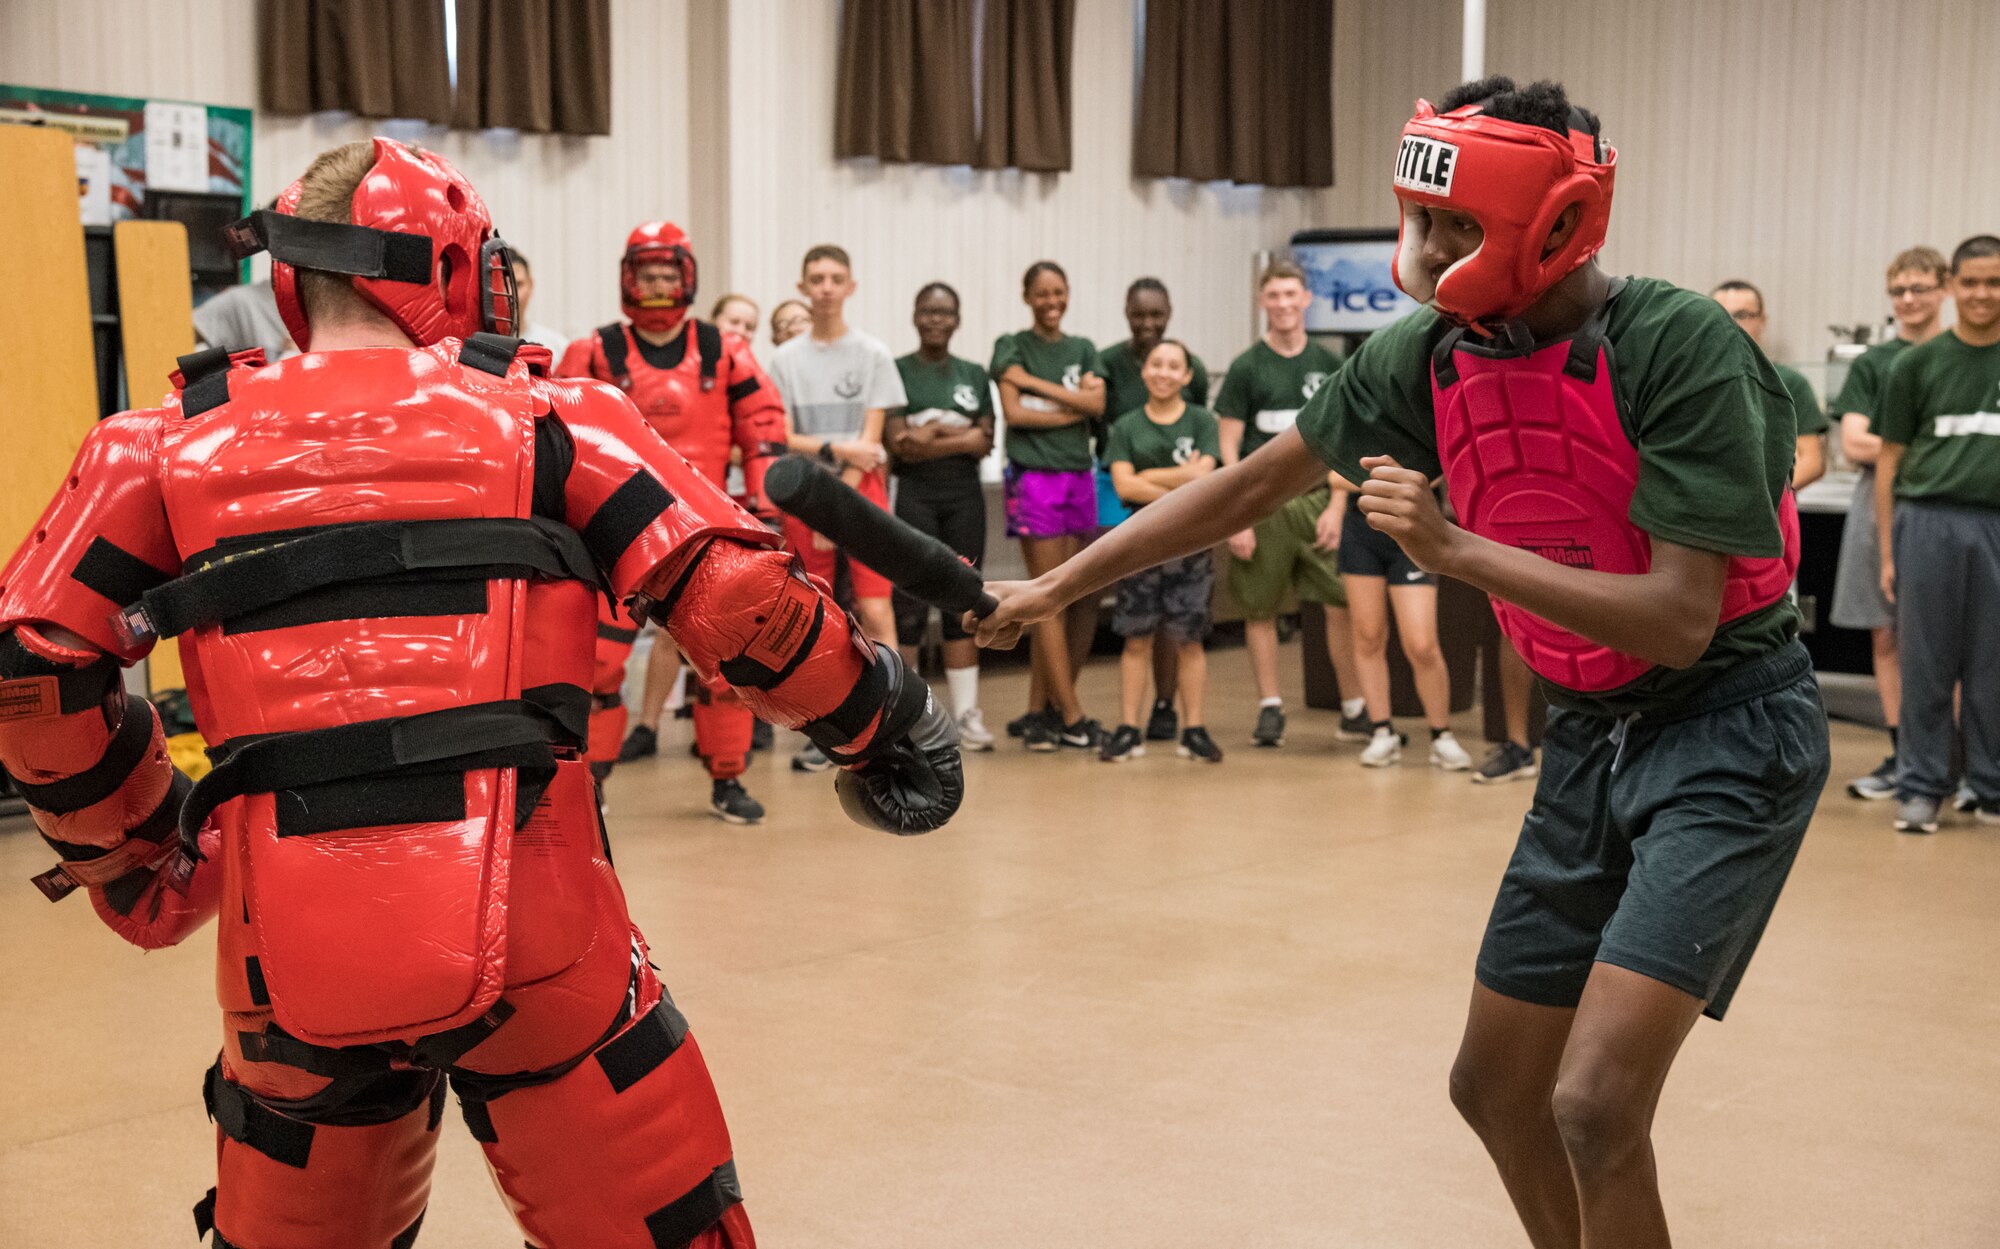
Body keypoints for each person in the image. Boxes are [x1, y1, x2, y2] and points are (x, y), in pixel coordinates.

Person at [0, 137, 960, 1248]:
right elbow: (740, 599)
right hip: (543, 938)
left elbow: (30, 672)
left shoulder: (158, 446)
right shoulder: (558, 415)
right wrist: (885, 722)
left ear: (288, 276)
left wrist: (141, 859)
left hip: (288, 958)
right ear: (449, 267)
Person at [975, 79, 1826, 1249]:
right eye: (1419, 222)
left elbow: (1681, 617)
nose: (1423, 255)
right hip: (1588, 732)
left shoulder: (1678, 345)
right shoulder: (1424, 356)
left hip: (1726, 726)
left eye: (1456, 229)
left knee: (1592, 1102)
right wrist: (1053, 587)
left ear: (1561, 222)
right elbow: (1248, 483)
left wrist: (1456, 551)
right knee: (1492, 1087)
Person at [557, 221, 789, 824]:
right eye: (647, 274)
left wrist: (763, 513)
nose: (658, 286)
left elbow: (763, 431)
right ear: (628, 278)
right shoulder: (593, 351)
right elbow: (560, 435)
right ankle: (594, 785)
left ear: (685, 278)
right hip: (612, 534)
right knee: (599, 666)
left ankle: (728, 781)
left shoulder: (726, 350)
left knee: (727, 667)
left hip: (705, 535)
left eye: (668, 274)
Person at [1873, 234, 2000, 834]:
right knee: (1925, 662)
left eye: (1994, 282)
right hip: (1927, 524)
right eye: (1971, 281)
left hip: (1994, 525)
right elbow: (1889, 464)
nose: (1982, 293)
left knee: (1991, 665)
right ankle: (1921, 787)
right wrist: (1889, 553)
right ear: (1952, 285)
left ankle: (1990, 785)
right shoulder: (1915, 365)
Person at [1216, 260, 1367, 749]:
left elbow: (1347, 440)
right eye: (1273, 296)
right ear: (1263, 303)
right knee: (1261, 608)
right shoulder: (1246, 368)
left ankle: (1354, 708)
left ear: (1306, 300)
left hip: (1318, 500)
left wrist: (1338, 507)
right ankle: (1270, 707)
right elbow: (1229, 451)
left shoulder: (1329, 365)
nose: (1282, 304)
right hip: (1263, 506)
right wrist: (1237, 516)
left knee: (1339, 603)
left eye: (1290, 295)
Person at [770, 244, 908, 771]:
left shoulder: (872, 353)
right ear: (803, 287)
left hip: (859, 493)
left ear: (851, 286)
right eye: (816, 279)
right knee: (816, 616)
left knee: (875, 609)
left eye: (836, 278)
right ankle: (828, 729)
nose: (826, 287)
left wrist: (840, 507)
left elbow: (870, 442)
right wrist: (828, 464)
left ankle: (894, 720)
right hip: (803, 494)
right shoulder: (784, 360)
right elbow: (780, 432)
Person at [1829, 247, 1950, 799]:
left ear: (1943, 289)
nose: (1908, 301)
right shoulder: (1874, 363)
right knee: (1887, 632)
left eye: (1919, 289)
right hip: (1876, 505)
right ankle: (1903, 752)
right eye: (1898, 291)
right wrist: (1937, 444)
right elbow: (1854, 441)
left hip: (1949, 507)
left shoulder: (1961, 356)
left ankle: (1952, 756)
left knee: (1951, 638)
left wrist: (1897, 448)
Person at [992, 260, 1106, 751]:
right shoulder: (1011, 346)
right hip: (1033, 479)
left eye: (1059, 292)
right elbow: (1013, 413)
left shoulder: (1084, 349)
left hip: (1079, 477)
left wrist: (1035, 386)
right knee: (1047, 598)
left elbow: (1097, 407)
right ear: (1027, 297)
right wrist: (1072, 406)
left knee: (1075, 596)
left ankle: (1041, 711)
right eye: (1042, 293)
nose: (1051, 301)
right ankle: (1074, 716)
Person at [1099, 339, 1223, 764]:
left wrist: (1150, 475)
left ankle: (1194, 730)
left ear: (1187, 376)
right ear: (1144, 371)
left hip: (1192, 544)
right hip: (1140, 546)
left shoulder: (1204, 421)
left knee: (1189, 640)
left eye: (1174, 366)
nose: (1164, 372)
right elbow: (1124, 485)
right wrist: (1178, 479)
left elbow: (1206, 477)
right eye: (1156, 364)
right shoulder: (1127, 426)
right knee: (1136, 638)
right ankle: (1130, 729)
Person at [887, 282, 997, 750]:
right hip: (913, 497)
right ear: (915, 316)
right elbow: (898, 444)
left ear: (957, 318)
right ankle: (912, 717)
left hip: (964, 500)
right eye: (928, 311)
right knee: (909, 608)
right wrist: (957, 437)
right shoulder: (895, 372)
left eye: (945, 312)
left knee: (963, 601)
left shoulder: (973, 374)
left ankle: (967, 715)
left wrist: (927, 435)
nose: (936, 319)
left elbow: (983, 441)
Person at [1337, 470, 1472, 769]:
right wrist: (1394, 481)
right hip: (1361, 530)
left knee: (1422, 644)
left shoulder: (1420, 424)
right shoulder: (1353, 427)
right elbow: (1334, 478)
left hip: (1411, 531)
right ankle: (1382, 731)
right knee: (1368, 636)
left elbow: (1432, 475)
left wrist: (1368, 480)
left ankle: (1441, 735)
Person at [1710, 280, 1830, 488]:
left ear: (1762, 319)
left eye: (1742, 315)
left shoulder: (1789, 383)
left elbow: (1812, 461)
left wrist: (1765, 500)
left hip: (1770, 513)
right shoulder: (1695, 379)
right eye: (1722, 314)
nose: (1733, 323)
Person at [510, 248, 568, 352]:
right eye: (501, 284)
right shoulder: (475, 348)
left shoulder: (557, 347)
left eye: (518, 285)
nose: (510, 293)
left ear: (531, 285)